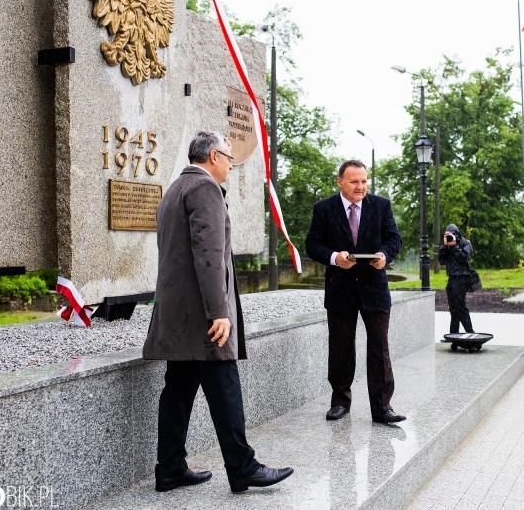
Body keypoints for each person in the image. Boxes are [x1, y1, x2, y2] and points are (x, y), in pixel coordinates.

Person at [143, 131, 293, 493]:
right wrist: (219, 311)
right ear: (213, 156)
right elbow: (208, 255)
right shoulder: (205, 188)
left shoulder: (175, 189)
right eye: (229, 158)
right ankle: (243, 468)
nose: (231, 165)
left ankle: (170, 467)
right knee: (224, 387)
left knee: (178, 390)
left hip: (178, 315)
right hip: (203, 317)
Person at [305, 159, 405, 424]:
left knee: (379, 349)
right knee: (341, 348)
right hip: (340, 290)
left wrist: (384, 255)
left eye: (363, 181)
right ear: (340, 182)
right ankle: (340, 402)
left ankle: (382, 409)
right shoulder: (323, 208)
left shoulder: (381, 205)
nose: (360, 186)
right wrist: (335, 257)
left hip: (375, 289)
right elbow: (312, 245)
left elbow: (394, 239)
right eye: (354, 182)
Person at [438, 223, 475, 335]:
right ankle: (454, 333)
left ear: (457, 234)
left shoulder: (466, 243)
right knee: (453, 308)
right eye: (447, 235)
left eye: (451, 235)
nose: (449, 237)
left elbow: (464, 257)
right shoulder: (448, 246)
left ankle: (470, 331)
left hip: (462, 277)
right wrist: (445, 246)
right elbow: (441, 260)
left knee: (460, 306)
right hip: (452, 278)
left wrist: (455, 246)